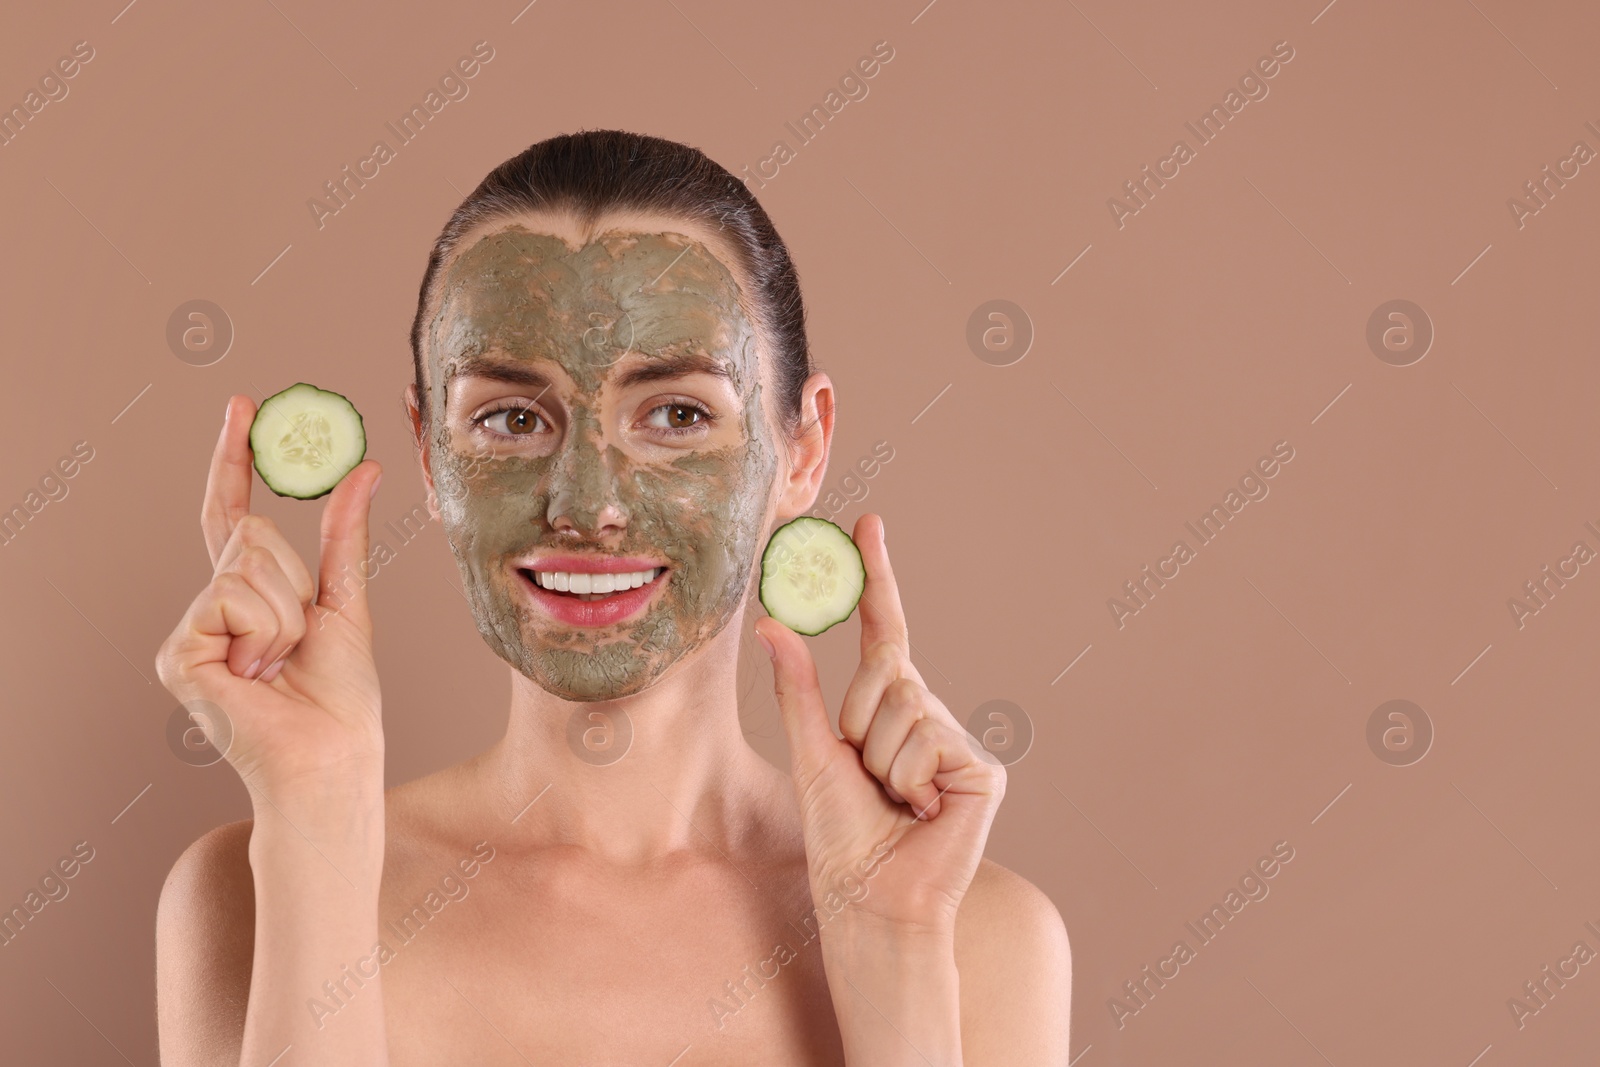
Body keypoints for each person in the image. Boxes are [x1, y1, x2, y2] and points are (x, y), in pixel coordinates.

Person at [154, 129, 1070, 1065]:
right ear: (432, 454)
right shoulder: (253, 891)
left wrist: (898, 947)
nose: (587, 504)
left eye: (677, 414)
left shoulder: (971, 930)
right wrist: (316, 815)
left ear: (802, 448)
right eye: (512, 418)